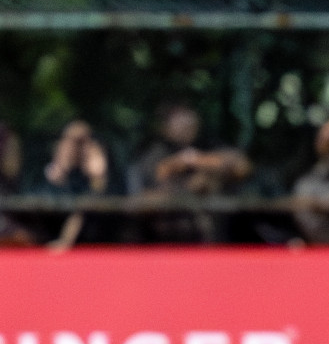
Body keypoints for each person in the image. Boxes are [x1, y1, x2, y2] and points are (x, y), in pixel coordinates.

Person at [128, 101, 251, 243]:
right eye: (180, 122)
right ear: (165, 127)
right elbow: (144, 195)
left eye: (189, 122)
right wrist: (184, 183)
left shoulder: (208, 145)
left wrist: (196, 160)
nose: (186, 126)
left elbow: (242, 166)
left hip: (213, 236)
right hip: (169, 235)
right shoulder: (155, 151)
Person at [37, 119, 112, 249]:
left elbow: (99, 203)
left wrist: (98, 178)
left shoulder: (101, 166)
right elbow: (37, 202)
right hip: (48, 236)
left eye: (82, 141)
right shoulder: (46, 167)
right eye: (72, 141)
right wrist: (61, 168)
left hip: (97, 240)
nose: (77, 147)